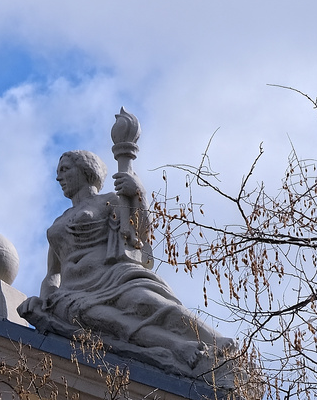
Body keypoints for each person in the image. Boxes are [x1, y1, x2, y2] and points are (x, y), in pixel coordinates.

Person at [18, 150, 232, 377]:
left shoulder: (110, 200)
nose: (58, 178)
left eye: (64, 170)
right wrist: (44, 302)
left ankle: (220, 345)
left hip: (114, 276)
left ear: (85, 170)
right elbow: (53, 273)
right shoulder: (58, 222)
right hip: (72, 295)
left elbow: (139, 231)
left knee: (150, 302)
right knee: (112, 322)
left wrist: (138, 193)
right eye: (58, 172)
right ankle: (179, 347)